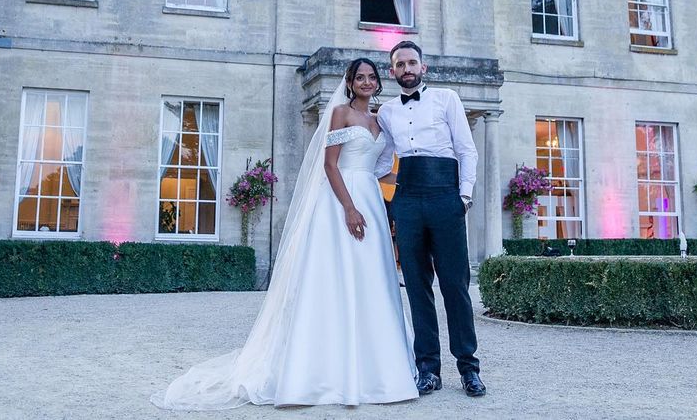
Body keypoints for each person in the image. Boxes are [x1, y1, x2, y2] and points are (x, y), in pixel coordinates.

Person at [151, 58, 417, 409]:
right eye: (359, 77)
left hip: (371, 198)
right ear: (350, 83)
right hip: (343, 200)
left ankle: (377, 371)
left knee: (372, 279)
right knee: (337, 277)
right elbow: (330, 165)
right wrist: (349, 208)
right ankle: (324, 373)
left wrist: (414, 180)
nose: (366, 82)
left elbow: (380, 169)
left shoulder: (379, 120)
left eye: (371, 77)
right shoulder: (341, 113)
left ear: (378, 82)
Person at [374, 40, 486, 397]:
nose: (406, 69)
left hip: (445, 196)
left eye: (412, 63)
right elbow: (382, 161)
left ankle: (468, 368)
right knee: (416, 286)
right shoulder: (386, 112)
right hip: (407, 200)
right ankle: (428, 369)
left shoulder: (446, 99)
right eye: (400, 64)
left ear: (423, 67)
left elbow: (466, 149)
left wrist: (464, 197)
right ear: (392, 71)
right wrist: (378, 177)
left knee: (455, 285)